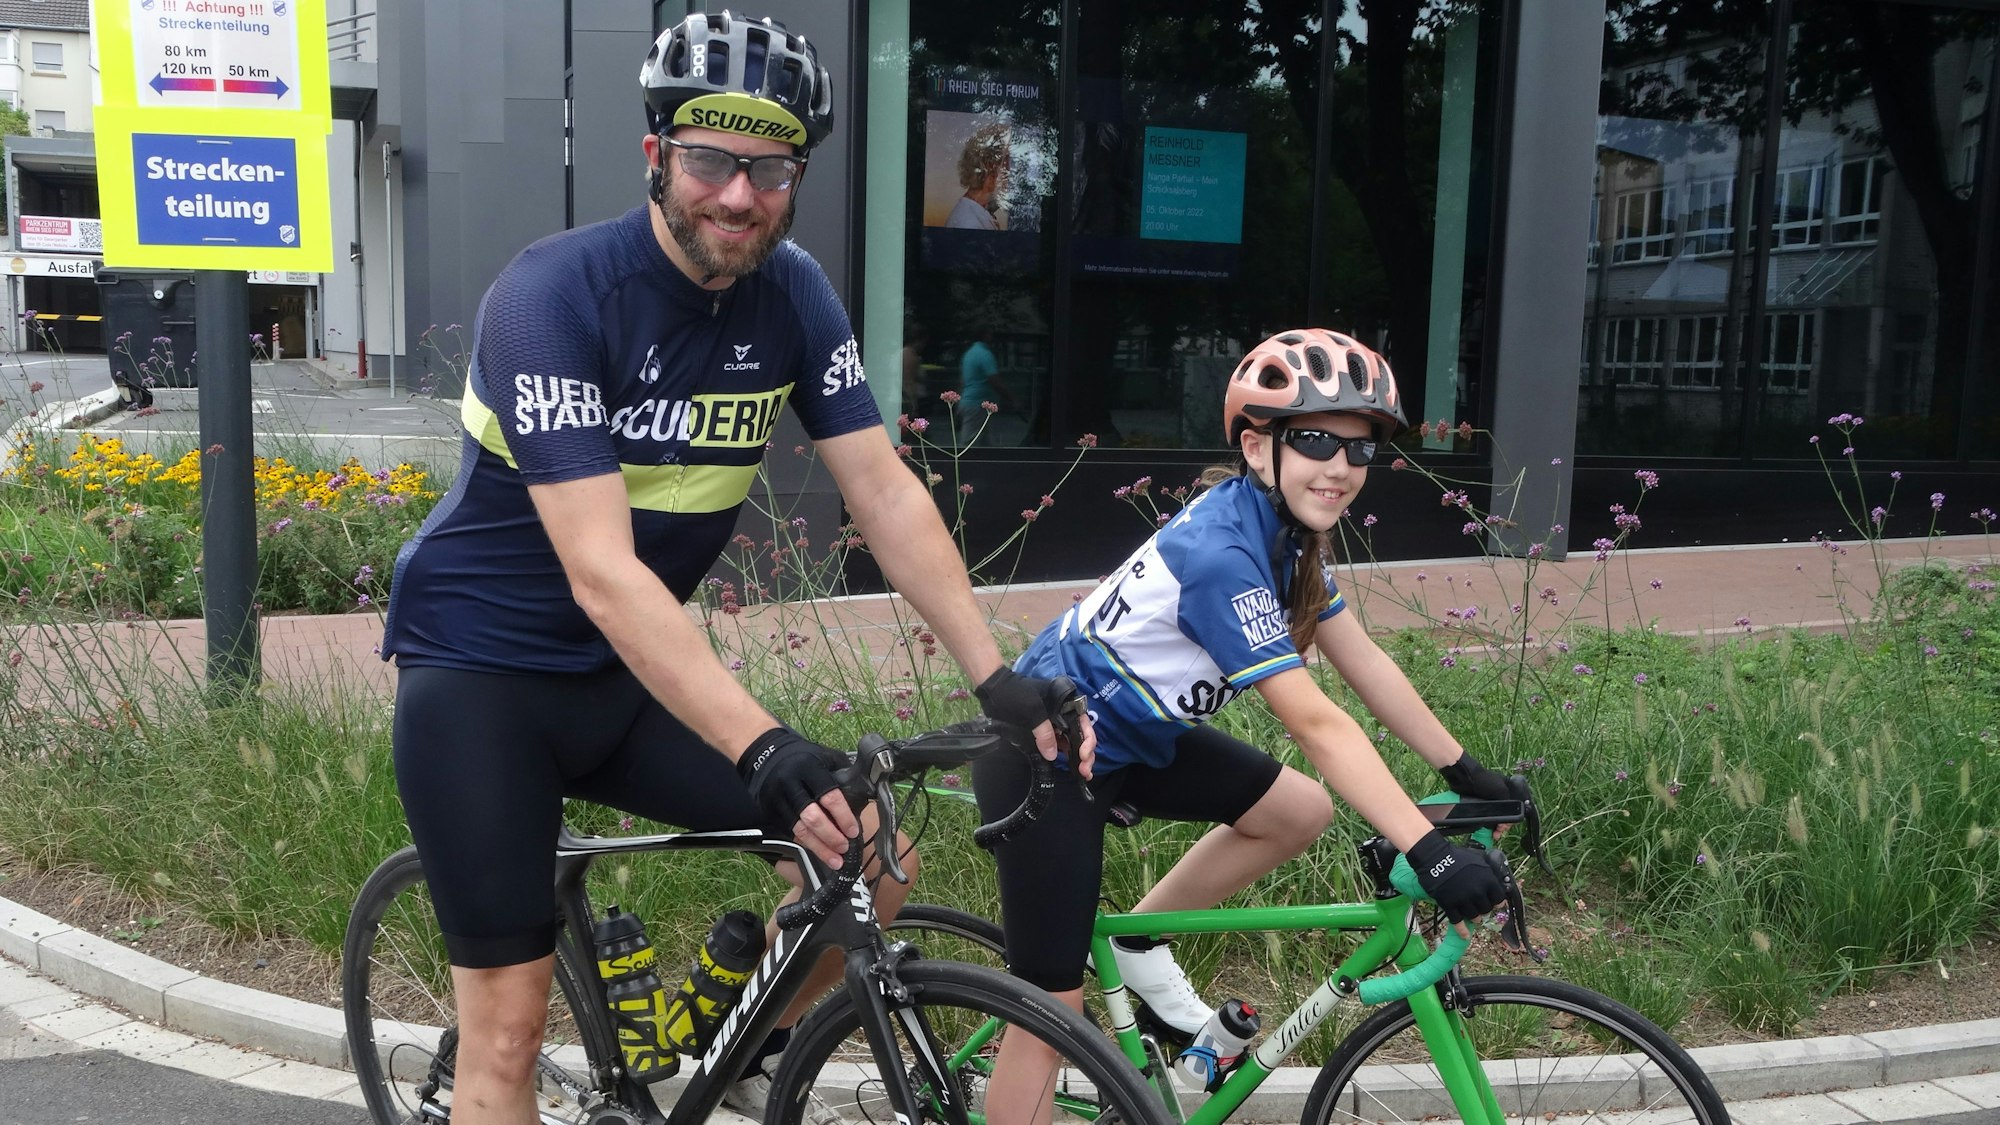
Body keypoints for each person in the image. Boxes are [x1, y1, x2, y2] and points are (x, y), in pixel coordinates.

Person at [378, 14, 1092, 1125]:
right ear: (658, 157)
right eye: (711, 159)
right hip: (482, 680)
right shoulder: (552, 295)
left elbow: (884, 491)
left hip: (624, 685)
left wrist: (990, 671)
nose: (739, 196)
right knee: (508, 1038)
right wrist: (761, 744)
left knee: (867, 859)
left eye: (770, 168)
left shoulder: (793, 295)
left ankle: (726, 1060)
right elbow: (603, 573)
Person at [972, 328, 1514, 1120]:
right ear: (1259, 448)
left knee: (1298, 809)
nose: (1339, 467)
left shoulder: (1288, 541)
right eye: (1319, 441)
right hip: (1048, 757)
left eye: (1359, 451)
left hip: (1130, 740)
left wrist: (1465, 771)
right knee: (1052, 1015)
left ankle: (1136, 941)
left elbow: (1365, 665)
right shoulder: (1226, 553)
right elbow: (1316, 723)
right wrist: (1425, 850)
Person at [945, 120, 1011, 230]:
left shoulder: (977, 212)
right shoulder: (968, 223)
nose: (1010, 172)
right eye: (1007, 162)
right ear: (990, 167)